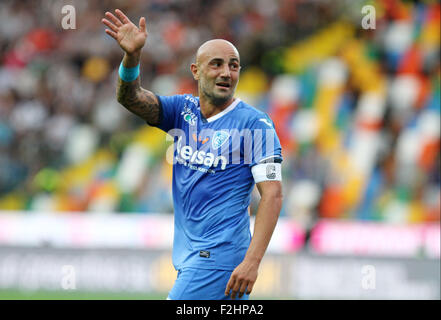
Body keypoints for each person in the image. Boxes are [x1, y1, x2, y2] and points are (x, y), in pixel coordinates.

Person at [102, 9, 283, 300]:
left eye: (234, 66)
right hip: (191, 256)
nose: (227, 72)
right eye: (217, 64)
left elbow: (272, 194)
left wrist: (252, 261)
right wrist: (132, 58)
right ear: (196, 71)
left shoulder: (255, 124)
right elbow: (129, 97)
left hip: (219, 258)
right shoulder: (181, 111)